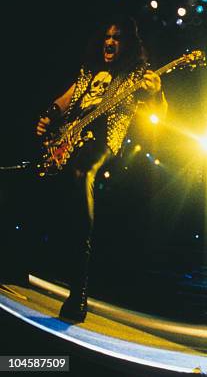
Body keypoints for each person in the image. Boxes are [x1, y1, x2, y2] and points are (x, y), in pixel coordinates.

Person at [35, 16, 167, 323]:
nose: (110, 41)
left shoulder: (135, 75)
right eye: (107, 36)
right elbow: (66, 100)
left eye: (118, 37)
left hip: (103, 138)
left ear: (129, 44)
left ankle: (78, 291)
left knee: (82, 173)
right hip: (68, 137)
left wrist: (156, 93)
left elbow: (159, 114)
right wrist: (48, 116)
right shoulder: (89, 71)